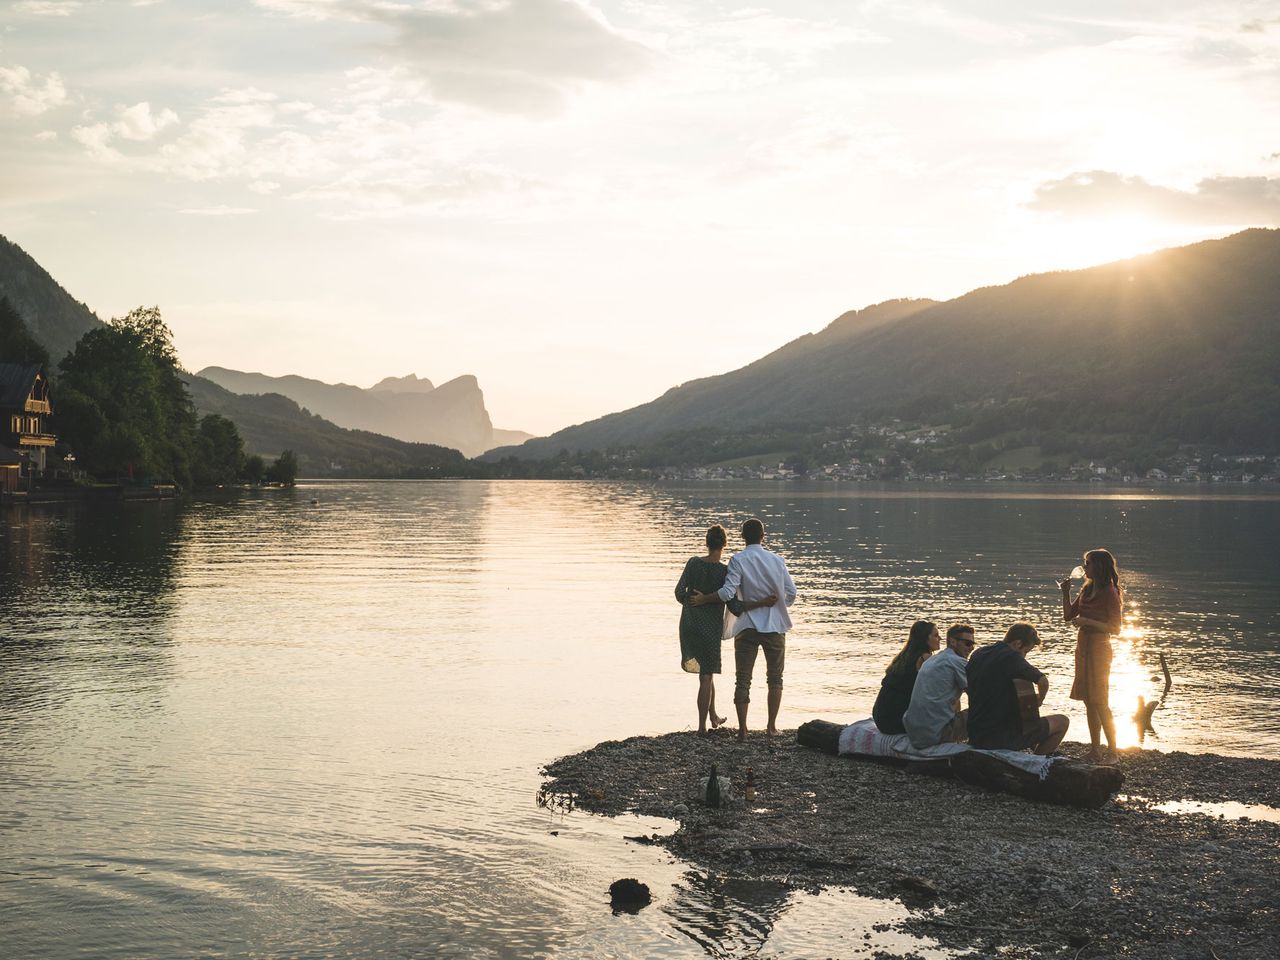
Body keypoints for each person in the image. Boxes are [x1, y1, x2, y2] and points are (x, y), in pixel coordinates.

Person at [690, 517, 796, 740]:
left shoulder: (738, 560)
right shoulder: (777, 561)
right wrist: (777, 606)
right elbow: (792, 593)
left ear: (742, 538)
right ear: (763, 537)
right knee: (775, 678)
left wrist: (705, 598)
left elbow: (728, 593)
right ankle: (771, 727)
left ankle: (743, 730)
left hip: (746, 625)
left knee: (743, 679)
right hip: (774, 626)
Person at [674, 525, 776, 735]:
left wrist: (692, 601)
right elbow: (736, 607)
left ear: (707, 542)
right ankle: (702, 727)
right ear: (724, 544)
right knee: (706, 675)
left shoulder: (693, 563)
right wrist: (762, 602)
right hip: (710, 628)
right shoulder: (723, 572)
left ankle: (713, 716)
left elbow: (678, 593)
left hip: (689, 624)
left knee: (706, 672)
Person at [966, 622, 1068, 755]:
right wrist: (1040, 699)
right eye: (1026, 651)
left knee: (1026, 717)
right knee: (1062, 721)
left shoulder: (978, 653)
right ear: (1017, 644)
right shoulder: (1011, 657)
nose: (1024, 656)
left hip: (975, 735)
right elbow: (1043, 682)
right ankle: (1036, 763)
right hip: (999, 739)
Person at [1061, 548, 1124, 762]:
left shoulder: (1110, 592)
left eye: (1087, 563)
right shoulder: (1087, 590)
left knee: (1100, 701)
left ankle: (1113, 752)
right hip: (1083, 648)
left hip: (1099, 648)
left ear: (1099, 566)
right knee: (1088, 700)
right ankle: (1095, 750)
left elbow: (1115, 628)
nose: (1084, 567)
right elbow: (1069, 616)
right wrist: (1065, 592)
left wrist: (1088, 622)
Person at [903, 623, 975, 748]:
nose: (971, 648)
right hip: (935, 735)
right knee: (989, 707)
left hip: (914, 733)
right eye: (968, 644)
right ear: (953, 642)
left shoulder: (932, 660)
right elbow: (977, 694)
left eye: (973, 644)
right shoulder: (957, 662)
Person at [872, 620, 939, 735]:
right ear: (925, 639)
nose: (940, 639)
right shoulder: (925, 659)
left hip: (880, 717)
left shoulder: (903, 657)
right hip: (895, 722)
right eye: (936, 635)